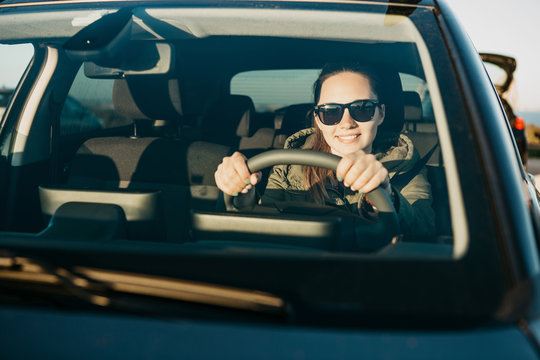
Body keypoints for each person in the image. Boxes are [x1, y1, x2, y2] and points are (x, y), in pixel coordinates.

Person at [214, 63, 435, 239]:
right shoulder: (288, 163)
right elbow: (267, 226)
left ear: (381, 114)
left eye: (362, 109)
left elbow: (424, 231)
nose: (346, 123)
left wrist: (385, 195)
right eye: (331, 112)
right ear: (318, 119)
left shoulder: (405, 163)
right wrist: (242, 193)